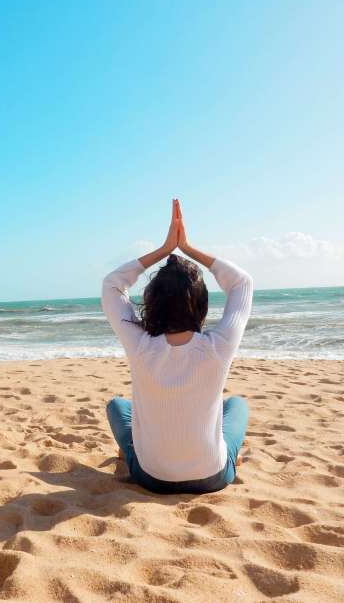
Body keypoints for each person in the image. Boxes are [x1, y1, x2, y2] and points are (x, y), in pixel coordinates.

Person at [102, 199, 253, 494]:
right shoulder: (218, 345)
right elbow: (242, 283)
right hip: (212, 476)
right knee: (236, 405)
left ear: (152, 302)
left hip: (152, 478)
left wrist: (164, 249)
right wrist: (188, 248)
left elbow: (112, 284)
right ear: (201, 304)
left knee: (117, 406)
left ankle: (131, 457)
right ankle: (228, 461)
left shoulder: (140, 344)